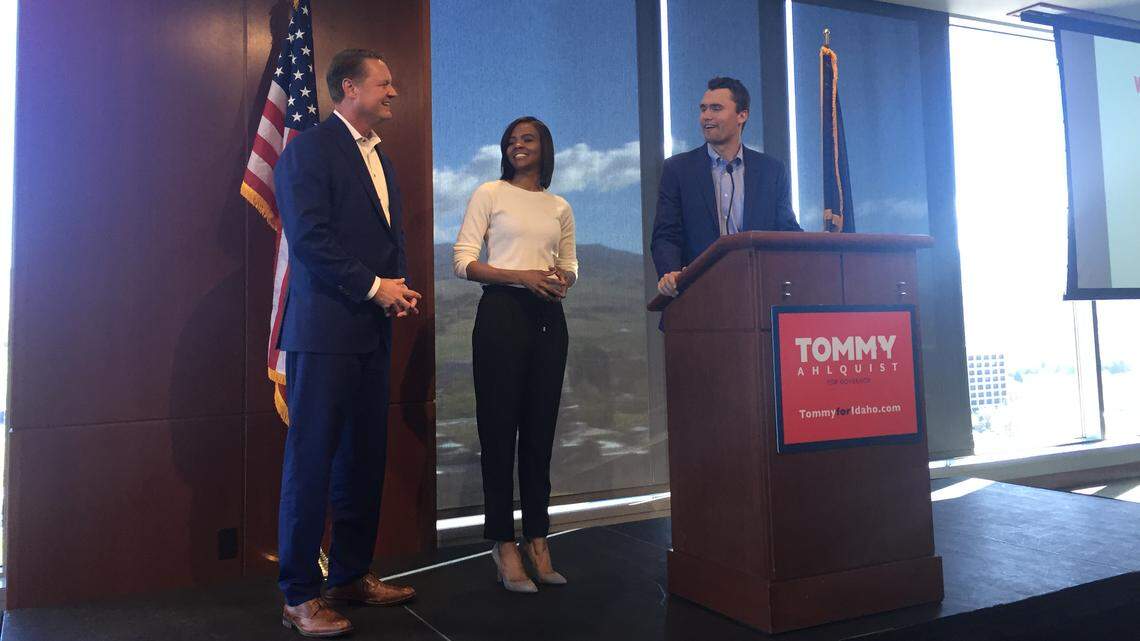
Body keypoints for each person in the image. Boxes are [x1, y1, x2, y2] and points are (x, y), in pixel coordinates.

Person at [274, 48, 422, 637]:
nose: (393, 92)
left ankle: (350, 575)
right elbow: (309, 239)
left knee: (363, 459)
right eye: (384, 83)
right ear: (349, 88)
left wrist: (395, 287)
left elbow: (387, 237)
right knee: (310, 463)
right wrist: (375, 287)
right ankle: (299, 595)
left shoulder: (379, 155)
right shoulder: (309, 150)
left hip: (371, 331)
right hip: (323, 333)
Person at [452, 116, 578, 593]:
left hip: (549, 320)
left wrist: (563, 278)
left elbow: (570, 263)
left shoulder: (559, 206)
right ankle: (503, 543)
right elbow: (463, 262)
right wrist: (521, 276)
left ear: (545, 147)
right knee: (499, 433)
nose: (517, 146)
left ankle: (538, 539)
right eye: (510, 141)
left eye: (527, 139)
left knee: (540, 434)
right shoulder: (490, 193)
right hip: (501, 315)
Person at [651, 76, 802, 298]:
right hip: (698, 296)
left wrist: (821, 247)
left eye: (716, 108)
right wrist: (670, 273)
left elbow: (786, 232)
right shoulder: (678, 169)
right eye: (703, 109)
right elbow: (666, 234)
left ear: (742, 115)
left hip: (758, 293)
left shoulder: (771, 171)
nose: (706, 116)